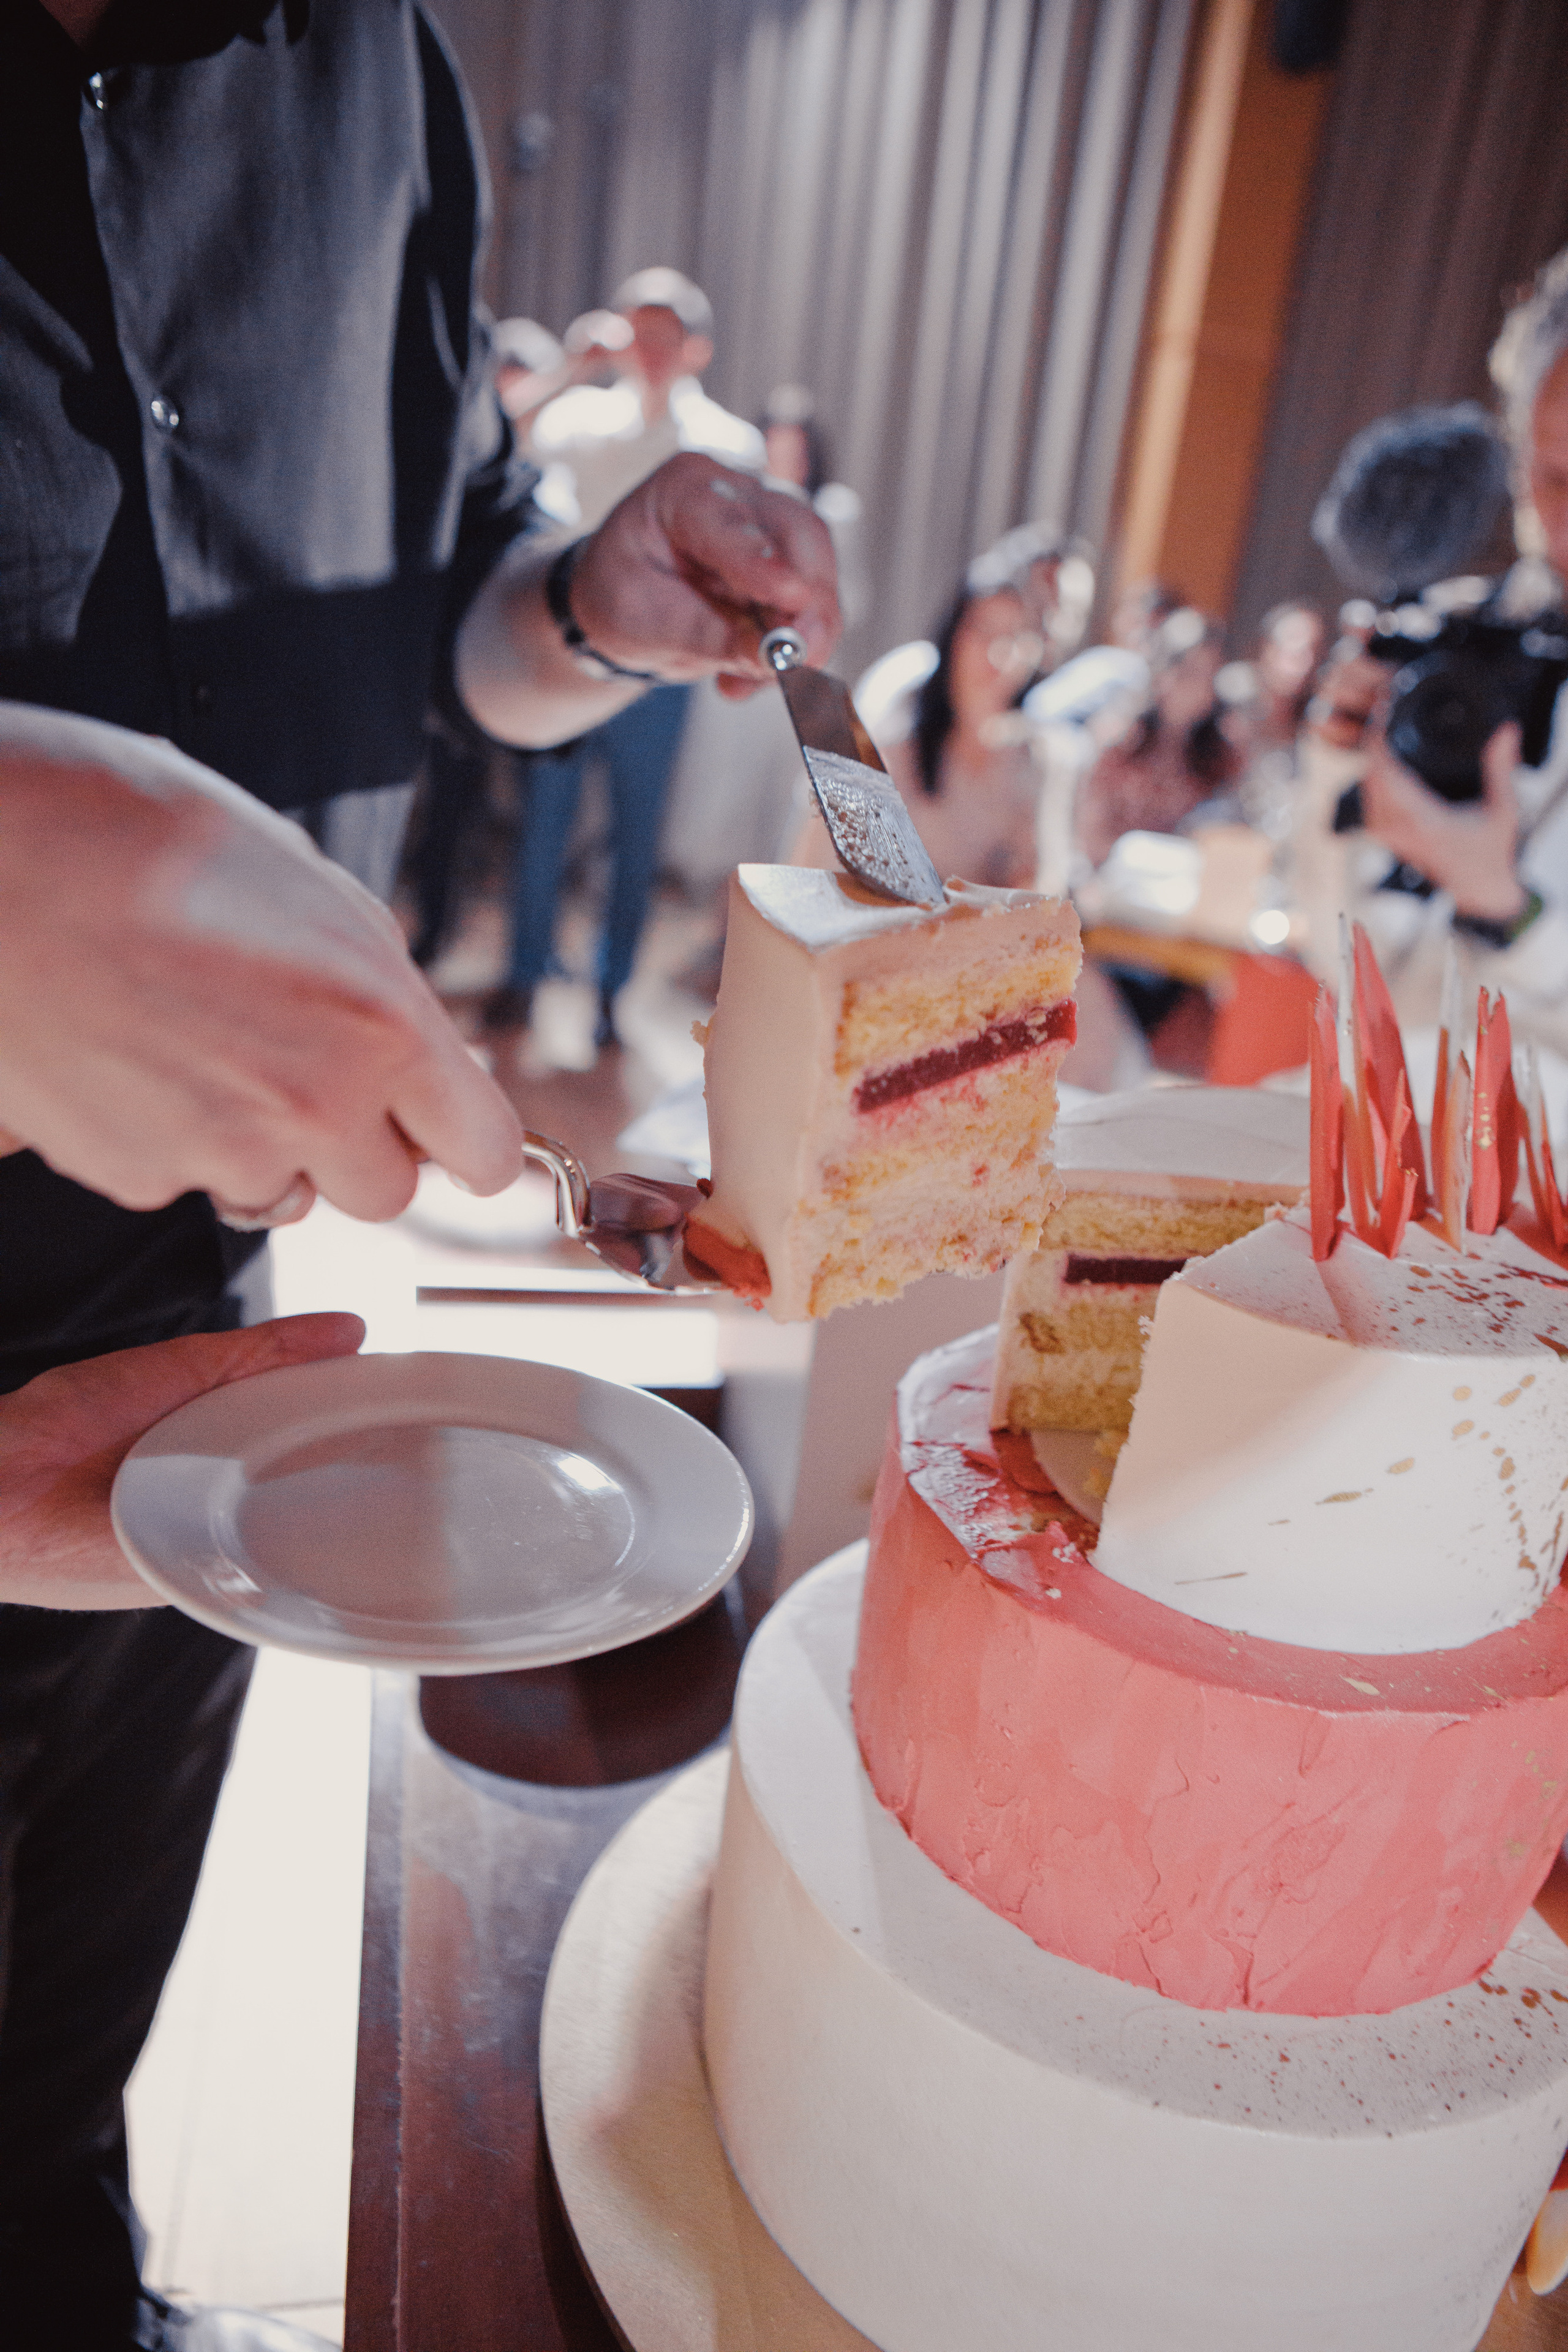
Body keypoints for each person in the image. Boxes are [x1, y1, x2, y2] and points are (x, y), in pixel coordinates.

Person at [0, 10, 839, 2347]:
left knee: (65, 2050)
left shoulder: (370, 56)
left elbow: (442, 603)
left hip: (210, 1295)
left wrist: (580, 608)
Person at [484, 269, 766, 1048]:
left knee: (637, 836)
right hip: (563, 656)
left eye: (664, 335)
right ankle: (522, 977)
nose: (647, 349)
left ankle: (611, 997)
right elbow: (494, 436)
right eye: (636, 331)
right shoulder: (578, 415)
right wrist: (571, 366)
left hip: (660, 671)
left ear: (696, 349)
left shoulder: (725, 444)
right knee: (542, 824)